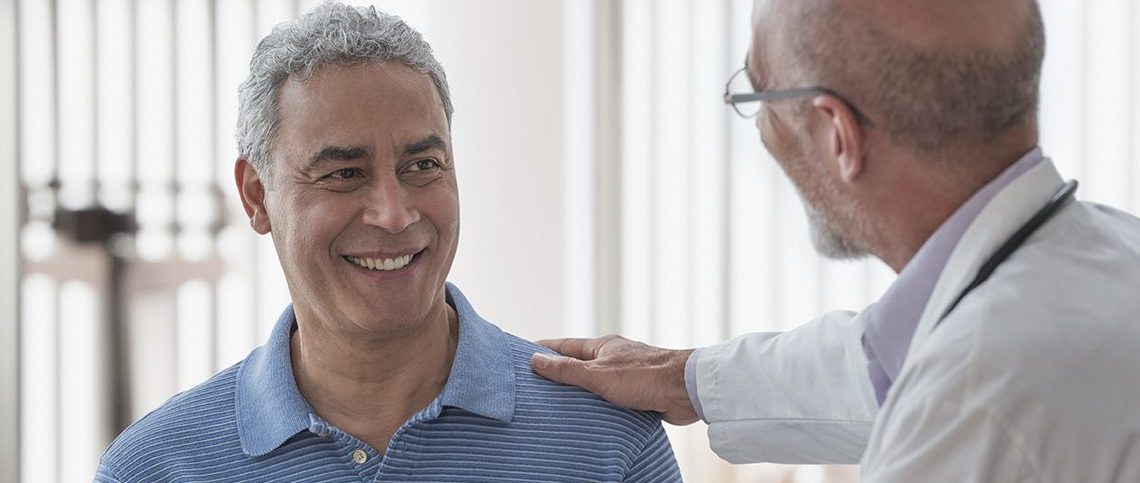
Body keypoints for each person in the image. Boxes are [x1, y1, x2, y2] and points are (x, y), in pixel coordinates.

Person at [532, 0, 1140, 480]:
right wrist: (682, 378)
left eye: (757, 92)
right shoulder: (1111, 252)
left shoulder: (977, 405)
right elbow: (877, 368)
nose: (763, 129)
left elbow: (944, 385)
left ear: (838, 134)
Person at [95, 3, 680, 482]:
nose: (395, 214)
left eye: (422, 164)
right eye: (343, 173)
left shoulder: (607, 441)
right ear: (257, 197)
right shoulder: (154, 467)